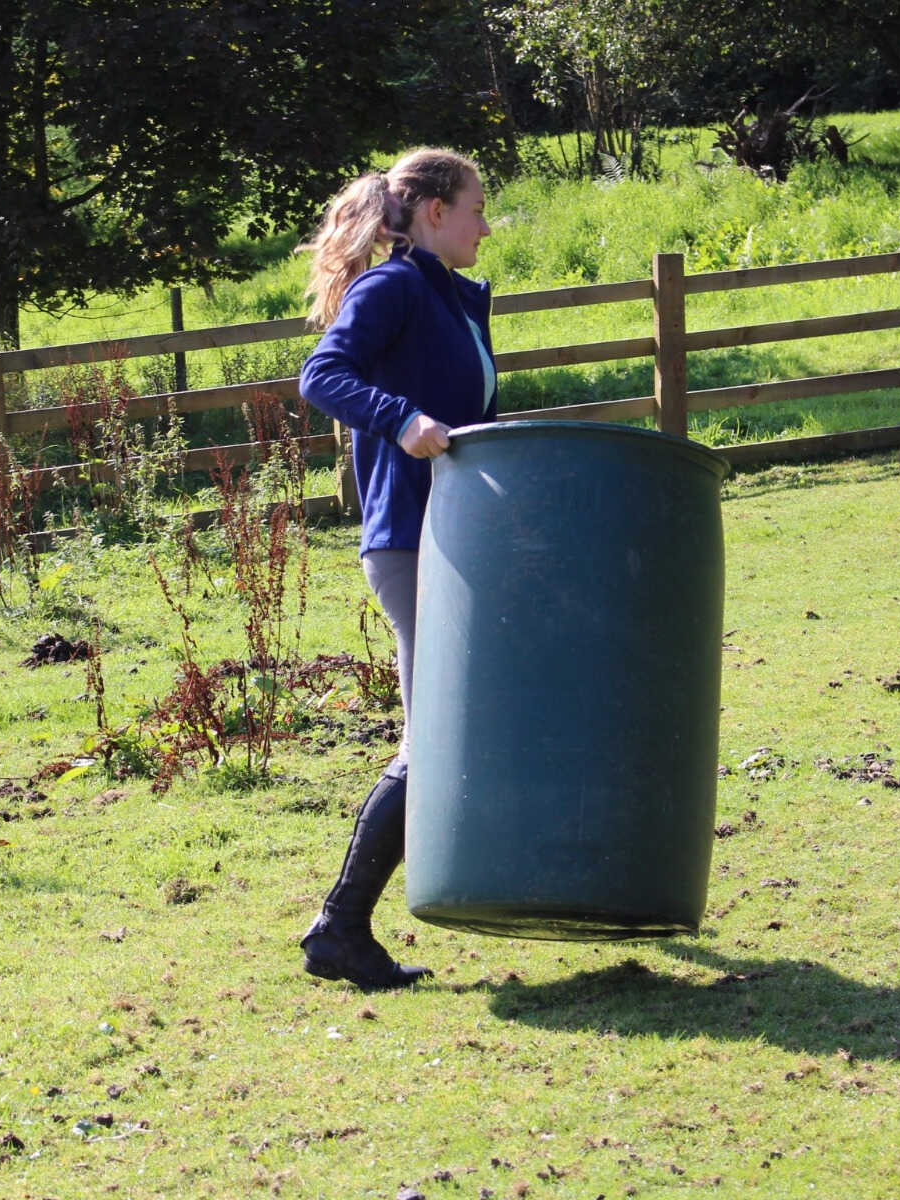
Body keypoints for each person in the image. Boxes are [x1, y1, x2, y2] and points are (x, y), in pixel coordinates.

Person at [294, 146, 497, 989]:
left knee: (458, 723)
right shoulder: (396, 288)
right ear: (434, 212)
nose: (487, 223)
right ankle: (339, 928)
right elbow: (321, 376)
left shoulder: (455, 302)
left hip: (458, 537)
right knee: (432, 732)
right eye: (477, 207)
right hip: (412, 539)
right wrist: (400, 418)